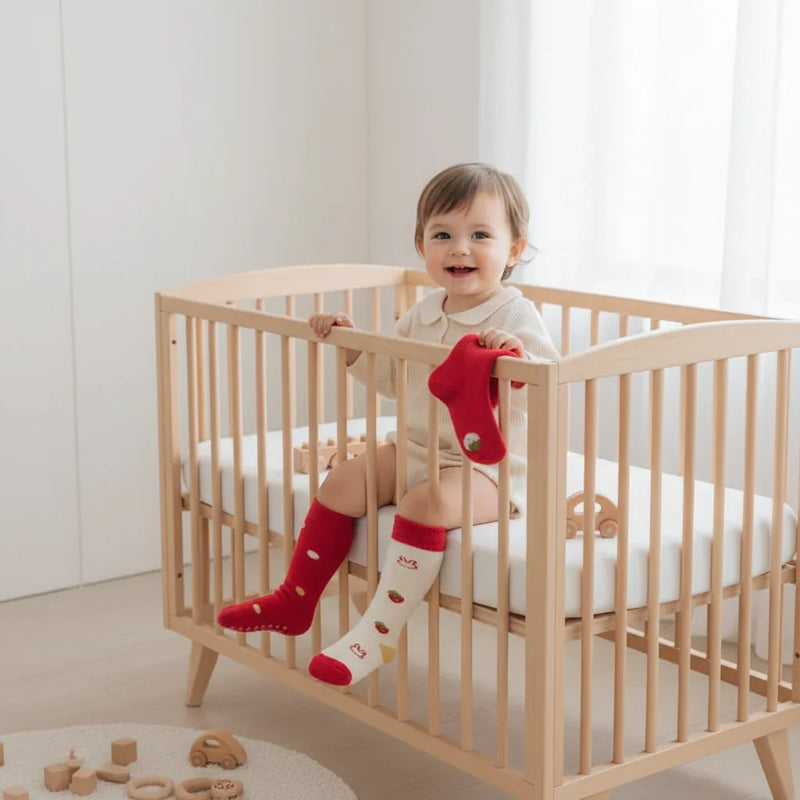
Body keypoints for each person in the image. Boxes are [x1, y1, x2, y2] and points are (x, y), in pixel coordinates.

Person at [217, 162, 559, 687]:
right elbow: (394, 377)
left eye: (480, 236)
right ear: (421, 245)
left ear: (514, 251)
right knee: (342, 480)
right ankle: (295, 599)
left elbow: (541, 385)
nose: (459, 249)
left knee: (428, 503)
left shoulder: (514, 315)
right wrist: (353, 344)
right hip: (417, 448)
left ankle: (375, 634)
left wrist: (507, 357)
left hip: (490, 469)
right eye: (442, 234)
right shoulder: (423, 312)